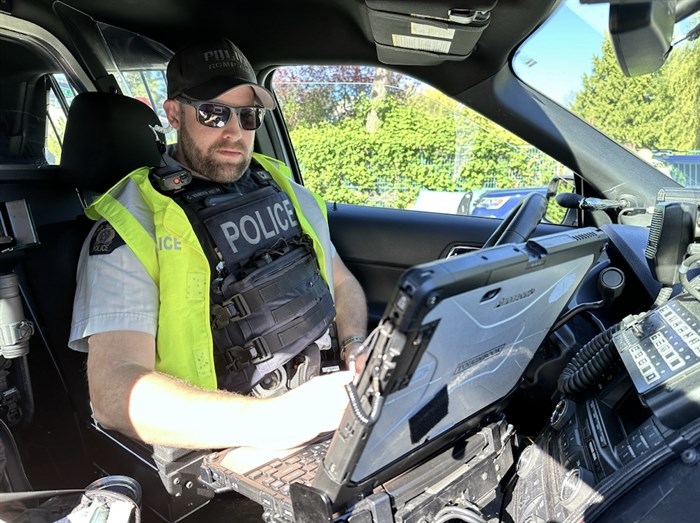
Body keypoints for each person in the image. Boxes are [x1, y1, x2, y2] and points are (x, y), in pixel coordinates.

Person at [68, 37, 368, 451]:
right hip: (228, 445)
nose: (234, 131)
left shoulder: (281, 186)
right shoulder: (132, 226)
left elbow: (341, 282)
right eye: (213, 112)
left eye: (248, 116)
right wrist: (281, 420)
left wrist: (355, 346)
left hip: (326, 408)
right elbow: (114, 390)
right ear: (174, 113)